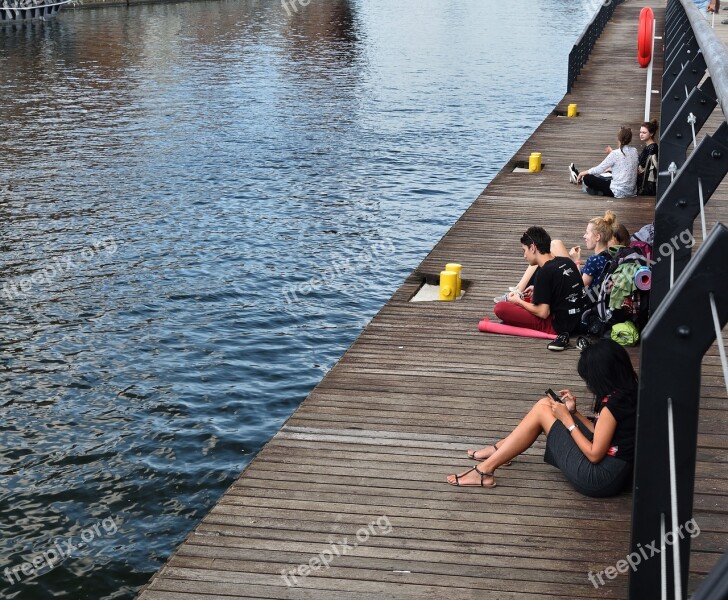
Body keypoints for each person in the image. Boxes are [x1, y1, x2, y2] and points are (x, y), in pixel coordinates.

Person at [447, 339, 637, 498]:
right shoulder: (628, 391)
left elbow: (595, 454)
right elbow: (600, 433)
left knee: (542, 411)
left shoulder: (613, 405)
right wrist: (573, 412)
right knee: (545, 405)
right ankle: (501, 451)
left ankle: (485, 470)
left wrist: (568, 422)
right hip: (615, 470)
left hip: (599, 477)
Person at [492, 226, 584, 351]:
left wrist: (519, 302)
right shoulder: (567, 262)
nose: (524, 255)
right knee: (529, 298)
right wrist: (538, 288)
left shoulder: (544, 272)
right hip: (577, 320)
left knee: (501, 308)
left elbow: (543, 312)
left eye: (524, 250)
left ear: (533, 248)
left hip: (558, 325)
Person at [493, 210, 617, 301]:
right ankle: (519, 288)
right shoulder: (608, 257)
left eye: (587, 233)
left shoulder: (594, 260)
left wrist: (576, 262)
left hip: (578, 300)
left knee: (544, 251)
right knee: (553, 245)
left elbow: (579, 286)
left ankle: (519, 289)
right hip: (589, 294)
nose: (584, 236)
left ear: (598, 237)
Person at [569, 126, 639, 197]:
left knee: (588, 178)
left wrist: (582, 173)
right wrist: (612, 152)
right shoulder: (634, 151)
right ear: (630, 139)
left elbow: (599, 169)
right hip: (631, 191)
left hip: (617, 191)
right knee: (608, 173)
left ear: (618, 138)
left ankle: (580, 177)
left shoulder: (615, 154)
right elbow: (624, 162)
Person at [636, 120, 659, 196]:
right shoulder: (648, 146)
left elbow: (644, 164)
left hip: (646, 181)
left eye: (644, 132)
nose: (641, 134)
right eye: (640, 132)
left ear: (651, 134)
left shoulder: (652, 147)